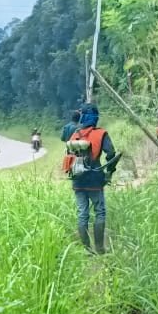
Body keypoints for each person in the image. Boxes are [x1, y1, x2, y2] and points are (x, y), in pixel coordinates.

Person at [66, 103, 116, 254]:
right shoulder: (101, 134)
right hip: (95, 179)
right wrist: (109, 172)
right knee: (99, 212)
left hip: (77, 180)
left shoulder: (75, 135)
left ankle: (87, 250)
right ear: (95, 117)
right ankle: (100, 248)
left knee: (82, 213)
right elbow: (111, 154)